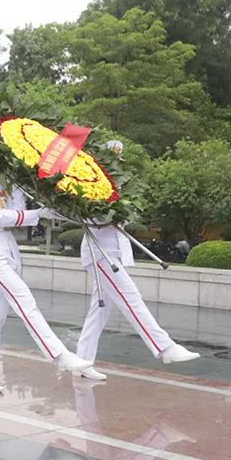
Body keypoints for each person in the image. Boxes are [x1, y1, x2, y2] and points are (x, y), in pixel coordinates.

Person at [0, 129, 94, 393]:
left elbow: (13, 209)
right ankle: (59, 355)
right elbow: (0, 218)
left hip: (7, 250)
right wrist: (38, 214)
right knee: (24, 299)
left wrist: (20, 184)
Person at [73, 142, 199, 379]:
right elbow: (89, 217)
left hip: (113, 252)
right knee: (131, 298)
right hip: (100, 252)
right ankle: (164, 347)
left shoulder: (117, 186)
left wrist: (120, 214)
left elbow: (124, 219)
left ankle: (83, 361)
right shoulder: (87, 184)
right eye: (111, 160)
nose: (116, 165)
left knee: (98, 312)